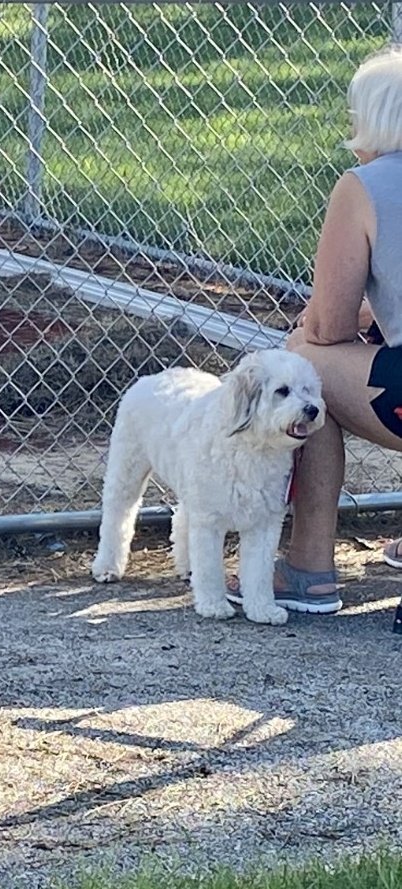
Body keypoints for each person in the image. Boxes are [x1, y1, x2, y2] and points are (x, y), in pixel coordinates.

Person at [228, 46, 402, 616]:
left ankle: (309, 567)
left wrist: (317, 326)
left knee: (304, 363)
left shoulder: (365, 185)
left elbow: (326, 326)